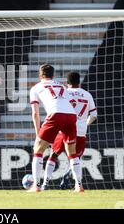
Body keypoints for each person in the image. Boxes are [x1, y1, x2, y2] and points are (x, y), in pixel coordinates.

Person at [29, 63, 84, 193]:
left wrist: (38, 133)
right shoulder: (61, 85)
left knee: (38, 149)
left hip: (55, 114)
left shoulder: (36, 88)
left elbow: (35, 113)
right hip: (71, 115)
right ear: (53, 75)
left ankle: (36, 186)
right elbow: (69, 103)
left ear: (40, 75)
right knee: (72, 153)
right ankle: (79, 186)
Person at [41, 72, 97, 190]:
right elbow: (94, 115)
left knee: (53, 155)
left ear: (67, 82)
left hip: (65, 128)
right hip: (81, 130)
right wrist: (85, 124)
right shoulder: (87, 94)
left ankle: (45, 183)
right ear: (79, 82)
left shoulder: (64, 92)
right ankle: (78, 184)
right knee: (75, 157)